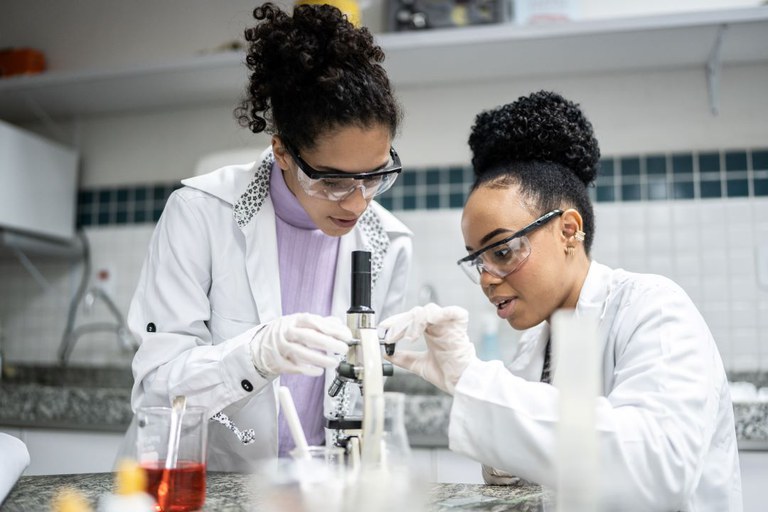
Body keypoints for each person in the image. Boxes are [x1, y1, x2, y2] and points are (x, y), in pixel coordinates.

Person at [380, 91, 741, 510]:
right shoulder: (539, 343)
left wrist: (474, 381)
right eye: (477, 260)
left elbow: (656, 468)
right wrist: (504, 457)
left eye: (502, 252)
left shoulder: (654, 309)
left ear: (569, 230)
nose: (486, 279)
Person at [126, 2, 412, 472]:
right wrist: (253, 356)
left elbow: (366, 399)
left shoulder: (389, 242)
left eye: (376, 176)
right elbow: (156, 391)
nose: (359, 203)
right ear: (281, 150)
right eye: (334, 181)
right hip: (205, 486)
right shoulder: (199, 214)